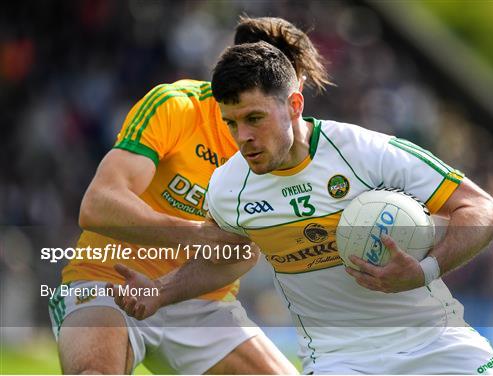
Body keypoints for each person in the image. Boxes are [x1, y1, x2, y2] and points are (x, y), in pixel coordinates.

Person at [201, 41, 493, 374]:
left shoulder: (364, 151)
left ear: (293, 105)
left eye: (254, 118)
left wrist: (425, 271)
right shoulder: (227, 187)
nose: (242, 136)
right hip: (339, 359)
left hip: (435, 341)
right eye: (231, 123)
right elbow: (219, 259)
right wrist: (158, 292)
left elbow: (482, 209)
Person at [48, 17, 330, 375]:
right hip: (106, 280)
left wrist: (162, 290)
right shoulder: (176, 105)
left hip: (202, 305)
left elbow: (241, 254)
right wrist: (197, 234)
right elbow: (98, 205)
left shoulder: (288, 154)